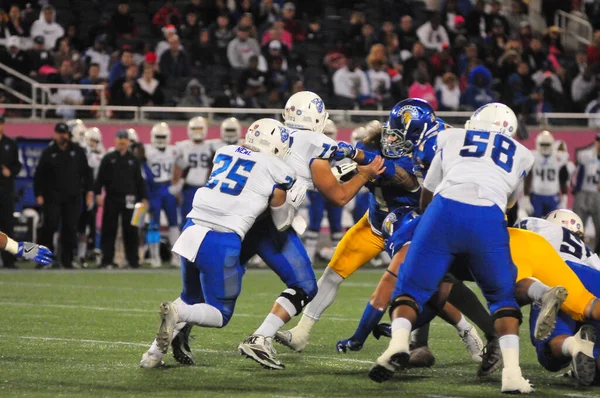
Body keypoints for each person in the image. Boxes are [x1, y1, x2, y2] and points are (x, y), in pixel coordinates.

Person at [171, 92, 385, 369]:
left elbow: (331, 160)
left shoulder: (276, 131)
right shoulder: (317, 143)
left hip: (240, 219)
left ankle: (172, 335)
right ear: (318, 118)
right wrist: (365, 174)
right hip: (272, 223)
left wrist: (353, 160)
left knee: (206, 286)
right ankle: (261, 337)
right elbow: (339, 197)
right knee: (304, 285)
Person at [368, 104, 535, 393]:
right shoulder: (523, 153)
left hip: (444, 209)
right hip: (488, 215)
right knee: (502, 298)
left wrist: (433, 231)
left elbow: (428, 192)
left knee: (411, 287)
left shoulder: (451, 137)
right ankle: (512, 373)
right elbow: (508, 204)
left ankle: (397, 344)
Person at [275, 100, 450, 353]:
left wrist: (359, 159)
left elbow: (407, 180)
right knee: (332, 273)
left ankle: (464, 333)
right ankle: (301, 332)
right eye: (390, 135)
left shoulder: (426, 152)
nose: (391, 141)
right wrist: (347, 167)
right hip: (375, 223)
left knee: (423, 284)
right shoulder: (371, 143)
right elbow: (347, 177)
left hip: (408, 225)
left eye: (398, 137)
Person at [139, 118, 296, 368]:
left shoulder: (224, 152)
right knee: (220, 314)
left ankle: (152, 355)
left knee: (188, 296)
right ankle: (179, 315)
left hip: (191, 230)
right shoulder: (279, 168)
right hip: (221, 237)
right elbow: (280, 220)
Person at [516, 210, 597, 386]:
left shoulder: (535, 226)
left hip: (558, 274)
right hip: (594, 277)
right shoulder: (589, 252)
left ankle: (573, 345)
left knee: (550, 349)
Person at [34, 122, 93, 269]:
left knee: (70, 228)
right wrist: (39, 193)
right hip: (52, 196)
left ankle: (67, 260)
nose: (63, 136)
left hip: (73, 197)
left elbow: (87, 173)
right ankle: (44, 260)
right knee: (49, 226)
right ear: (55, 134)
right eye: (60, 134)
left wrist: (89, 192)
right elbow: (39, 175)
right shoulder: (49, 152)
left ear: (68, 135)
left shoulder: (77, 151)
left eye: (65, 133)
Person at [95, 130, 148, 269]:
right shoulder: (108, 158)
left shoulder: (133, 159)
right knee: (109, 230)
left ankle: (133, 261)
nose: (122, 141)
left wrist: (144, 198)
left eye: (125, 138)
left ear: (128, 141)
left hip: (130, 199)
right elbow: (100, 178)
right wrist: (98, 193)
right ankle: (106, 260)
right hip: (112, 198)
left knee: (131, 230)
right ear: (115, 140)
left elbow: (139, 181)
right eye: (120, 138)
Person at [304, 119, 344, 263]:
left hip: (334, 188)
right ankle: (309, 255)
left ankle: (337, 256)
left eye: (330, 133)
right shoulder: (312, 149)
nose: (328, 136)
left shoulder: (342, 149)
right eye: (325, 133)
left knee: (336, 225)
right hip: (317, 191)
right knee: (314, 222)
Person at [145, 123, 181, 267]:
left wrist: (177, 185)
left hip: (167, 187)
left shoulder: (174, 150)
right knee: (154, 224)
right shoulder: (147, 151)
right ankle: (155, 257)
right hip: (153, 189)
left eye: (162, 136)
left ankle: (176, 257)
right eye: (158, 136)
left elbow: (180, 167)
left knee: (174, 223)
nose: (160, 139)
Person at [173, 117, 214, 227]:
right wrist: (176, 187)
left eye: (199, 128)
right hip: (188, 189)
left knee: (206, 221)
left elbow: (213, 167)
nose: (197, 132)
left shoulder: (210, 146)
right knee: (186, 218)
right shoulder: (183, 147)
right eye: (194, 128)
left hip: (206, 188)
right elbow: (177, 168)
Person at [521, 131, 569, 217]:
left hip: (553, 196)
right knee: (535, 223)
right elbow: (528, 178)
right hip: (536, 196)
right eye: (543, 144)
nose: (545, 147)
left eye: (547, 145)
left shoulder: (559, 157)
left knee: (552, 222)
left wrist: (564, 198)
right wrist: (526, 197)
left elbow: (563, 179)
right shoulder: (533, 156)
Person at [573, 134, 600, 253]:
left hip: (598, 195)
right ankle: (576, 252)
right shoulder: (585, 155)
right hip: (583, 193)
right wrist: (577, 191)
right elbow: (577, 175)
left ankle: (597, 256)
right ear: (595, 142)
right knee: (576, 227)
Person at [0, 116, 21, 268]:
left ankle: (9, 261)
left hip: (6, 191)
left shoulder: (11, 144)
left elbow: (17, 165)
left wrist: (10, 171)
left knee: (7, 225)